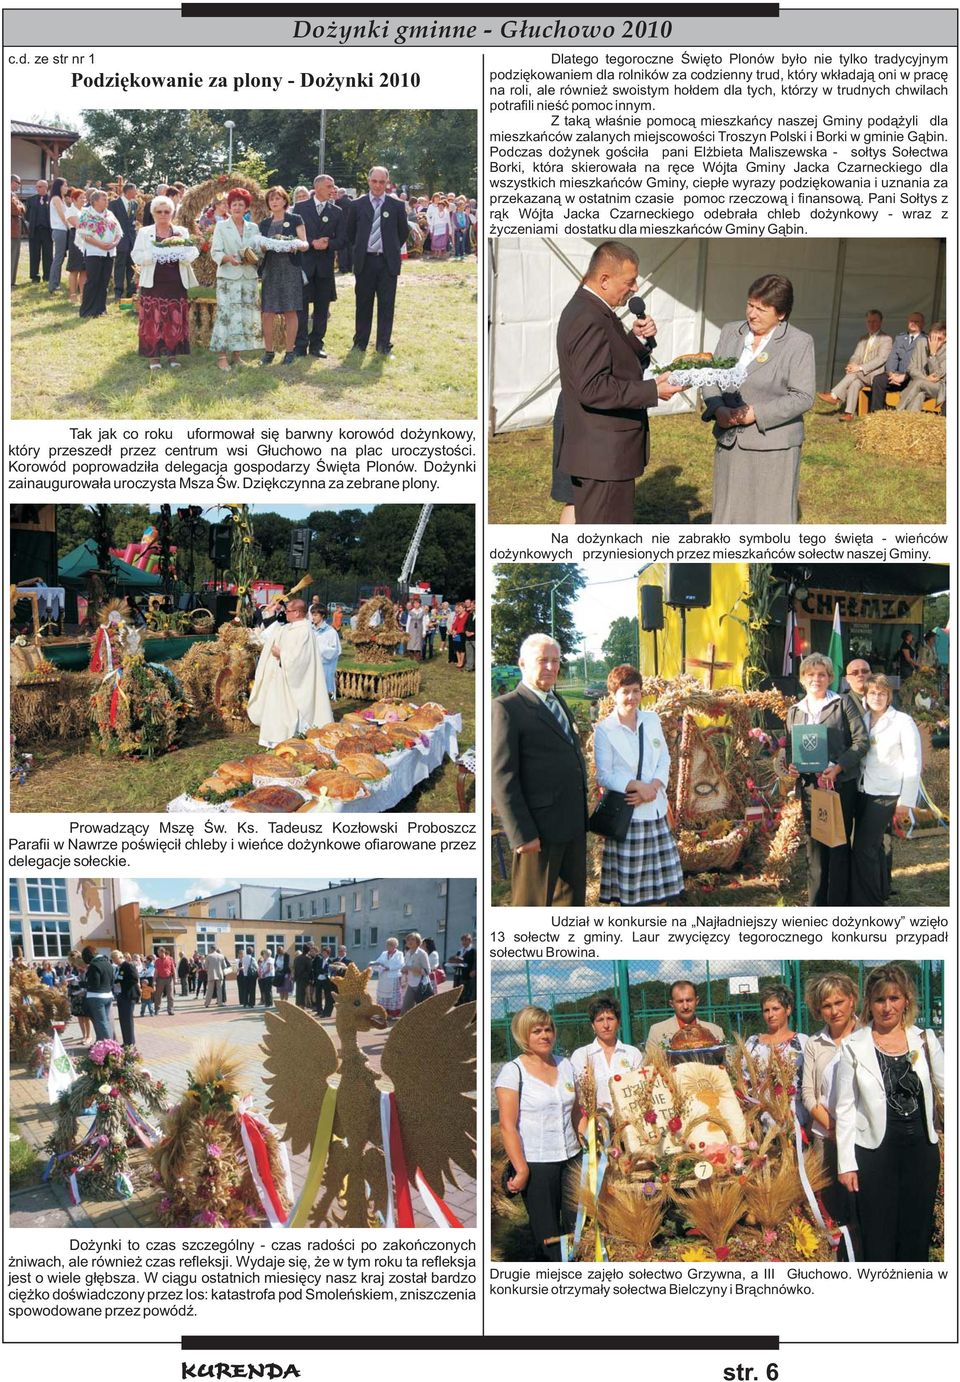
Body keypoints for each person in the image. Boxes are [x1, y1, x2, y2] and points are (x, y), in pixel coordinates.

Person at [555, 240, 686, 523]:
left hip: (603, 455)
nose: (636, 288)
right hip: (604, 458)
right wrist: (653, 390)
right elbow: (593, 388)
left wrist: (636, 340)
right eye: (630, 281)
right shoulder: (588, 316)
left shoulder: (594, 309)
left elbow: (611, 363)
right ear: (604, 280)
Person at [836, 964, 943, 1261]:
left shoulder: (925, 1039)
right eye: (880, 1000)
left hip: (922, 1153)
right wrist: (846, 1163)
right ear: (869, 1003)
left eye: (894, 998)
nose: (887, 1007)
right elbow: (844, 1108)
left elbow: (948, 1091)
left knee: (916, 1233)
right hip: (875, 1154)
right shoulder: (852, 1046)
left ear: (906, 1000)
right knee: (877, 1234)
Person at [702, 273, 816, 523]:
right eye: (750, 305)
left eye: (762, 309)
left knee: (767, 519)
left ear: (781, 314)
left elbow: (803, 396)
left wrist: (756, 413)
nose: (752, 314)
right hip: (730, 441)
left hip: (772, 446)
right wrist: (716, 407)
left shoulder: (799, 342)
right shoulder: (732, 331)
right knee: (729, 516)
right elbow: (711, 377)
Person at [491, 633, 589, 906]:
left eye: (555, 661)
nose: (550, 667)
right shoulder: (506, 708)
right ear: (523, 663)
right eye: (542, 660)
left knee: (571, 903)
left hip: (571, 824)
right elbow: (502, 775)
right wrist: (521, 833)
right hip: (539, 831)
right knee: (532, 906)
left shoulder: (557, 700)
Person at [494, 1006, 580, 1262]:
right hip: (537, 1163)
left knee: (578, 1225)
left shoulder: (566, 1065)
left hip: (572, 1157)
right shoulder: (513, 1071)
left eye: (548, 1029)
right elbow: (508, 1126)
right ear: (524, 1035)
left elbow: (576, 1113)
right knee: (548, 1233)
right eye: (537, 1031)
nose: (545, 1035)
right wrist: (521, 1170)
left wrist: (596, 1140)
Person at [593, 663, 684, 905]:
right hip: (629, 816)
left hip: (655, 809)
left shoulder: (651, 719)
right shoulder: (605, 730)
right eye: (625, 691)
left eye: (636, 690)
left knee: (664, 891)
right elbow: (604, 775)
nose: (632, 697)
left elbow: (663, 757)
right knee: (634, 895)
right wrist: (636, 786)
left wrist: (654, 786)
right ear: (613, 695)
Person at [785, 651, 868, 906]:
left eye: (821, 674)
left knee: (838, 847)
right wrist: (789, 768)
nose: (816, 679)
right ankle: (816, 905)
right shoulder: (794, 711)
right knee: (815, 848)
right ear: (802, 679)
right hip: (810, 789)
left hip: (838, 786)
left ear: (830, 678)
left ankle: (838, 905)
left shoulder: (843, 703)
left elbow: (861, 741)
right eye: (810, 674)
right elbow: (788, 751)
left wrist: (839, 767)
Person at [801, 971, 861, 1254]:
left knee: (862, 1202)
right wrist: (835, 1130)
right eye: (827, 1005)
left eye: (839, 1002)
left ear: (852, 1001)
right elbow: (808, 1094)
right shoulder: (815, 1044)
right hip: (826, 1136)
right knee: (832, 1204)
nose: (834, 1010)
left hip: (863, 1136)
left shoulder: (868, 1036)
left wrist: (850, 1132)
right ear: (818, 1009)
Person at [851, 674, 922, 905]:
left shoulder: (903, 721)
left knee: (863, 848)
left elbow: (913, 761)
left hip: (887, 793)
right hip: (864, 790)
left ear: (889, 696)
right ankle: (881, 891)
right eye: (872, 693)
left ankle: (867, 902)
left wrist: (905, 801)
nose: (877, 697)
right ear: (865, 696)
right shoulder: (861, 719)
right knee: (877, 846)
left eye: (882, 693)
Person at [247, 597, 333, 746]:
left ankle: (293, 734)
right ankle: (274, 737)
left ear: (298, 613)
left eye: (288, 611)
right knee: (277, 706)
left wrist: (281, 655)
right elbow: (271, 634)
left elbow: (301, 659)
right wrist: (270, 613)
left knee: (291, 708)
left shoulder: (304, 631)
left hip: (294, 679)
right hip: (281, 676)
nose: (285, 613)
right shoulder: (289, 627)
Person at [345, 166, 409, 357]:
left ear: (387, 183)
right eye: (375, 181)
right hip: (365, 262)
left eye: (382, 182)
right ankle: (360, 343)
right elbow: (350, 233)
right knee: (363, 303)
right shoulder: (357, 204)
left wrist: (389, 248)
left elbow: (402, 233)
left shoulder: (396, 205)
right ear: (369, 180)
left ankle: (383, 345)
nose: (378, 185)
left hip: (387, 263)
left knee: (386, 305)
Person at [130, 193, 198, 369]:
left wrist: (182, 254)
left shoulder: (181, 232)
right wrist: (152, 255)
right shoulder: (145, 232)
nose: (163, 214)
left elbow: (193, 253)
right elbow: (135, 255)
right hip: (153, 284)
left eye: (167, 211)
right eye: (159, 211)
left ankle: (173, 357)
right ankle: (154, 358)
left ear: (172, 213)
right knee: (153, 320)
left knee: (174, 320)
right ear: (153, 213)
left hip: (176, 283)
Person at [210, 187, 262, 370]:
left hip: (248, 277)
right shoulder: (221, 226)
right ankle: (222, 357)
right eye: (234, 204)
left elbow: (258, 252)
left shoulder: (254, 227)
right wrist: (228, 259)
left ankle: (237, 355)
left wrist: (254, 256)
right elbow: (215, 251)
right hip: (228, 278)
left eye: (241, 204)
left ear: (246, 208)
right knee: (226, 315)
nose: (238, 207)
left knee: (244, 317)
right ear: (228, 207)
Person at [257, 184, 308, 366]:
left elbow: (305, 243)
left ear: (285, 200)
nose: (274, 201)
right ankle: (269, 352)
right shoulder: (264, 224)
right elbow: (260, 248)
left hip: (290, 269)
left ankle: (289, 351)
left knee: (290, 311)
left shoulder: (295, 219)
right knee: (267, 312)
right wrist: (262, 246)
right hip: (270, 269)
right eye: (271, 199)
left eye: (278, 198)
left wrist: (297, 245)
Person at [744, 984, 808, 1125]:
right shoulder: (753, 1043)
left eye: (776, 1009)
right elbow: (744, 1080)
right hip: (760, 1115)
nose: (770, 1015)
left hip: (793, 1115)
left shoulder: (802, 1042)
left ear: (788, 1009)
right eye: (766, 1010)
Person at [295, 174, 342, 359]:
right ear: (318, 187)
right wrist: (312, 242)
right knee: (301, 307)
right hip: (305, 265)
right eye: (329, 186)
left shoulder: (336, 211)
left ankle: (317, 344)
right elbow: (292, 235)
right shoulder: (300, 208)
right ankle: (300, 345)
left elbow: (343, 239)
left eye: (333, 186)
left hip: (324, 266)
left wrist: (329, 243)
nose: (333, 189)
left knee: (322, 308)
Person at [571, 996, 642, 1115]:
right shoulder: (581, 1056)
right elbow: (577, 1098)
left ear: (618, 1022)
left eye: (610, 1018)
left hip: (630, 1123)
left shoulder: (633, 1053)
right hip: (595, 1125)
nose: (606, 1025)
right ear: (593, 1025)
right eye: (600, 1020)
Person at [818, 309, 892, 419]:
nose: (871, 324)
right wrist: (851, 365)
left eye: (874, 321)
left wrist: (860, 368)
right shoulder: (863, 338)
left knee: (854, 374)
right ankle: (849, 413)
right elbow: (856, 356)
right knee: (855, 383)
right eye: (869, 321)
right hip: (861, 374)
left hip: (876, 375)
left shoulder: (886, 339)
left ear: (881, 322)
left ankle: (834, 396)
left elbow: (881, 359)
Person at [646, 980, 725, 1057]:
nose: (685, 1006)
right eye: (680, 1001)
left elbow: (727, 1065)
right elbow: (650, 1066)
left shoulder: (716, 1031)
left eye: (689, 1000)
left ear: (696, 1001)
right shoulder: (656, 1032)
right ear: (671, 1004)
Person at [77, 190, 122, 318]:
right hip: (94, 252)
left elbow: (119, 232)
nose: (107, 201)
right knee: (93, 280)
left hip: (109, 253)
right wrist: (100, 245)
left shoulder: (110, 214)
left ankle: (100, 309)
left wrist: (114, 243)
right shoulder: (87, 214)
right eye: (104, 199)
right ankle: (87, 310)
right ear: (95, 201)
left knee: (104, 281)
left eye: (107, 199)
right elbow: (84, 234)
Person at [868, 312, 926, 411]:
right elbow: (892, 358)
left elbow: (923, 364)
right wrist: (891, 374)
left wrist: (905, 376)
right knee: (878, 380)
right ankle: (876, 413)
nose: (913, 323)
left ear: (923, 324)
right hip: (896, 375)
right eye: (911, 321)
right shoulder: (900, 338)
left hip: (912, 376)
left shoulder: (925, 340)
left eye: (917, 321)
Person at [897, 321, 946, 412]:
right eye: (932, 338)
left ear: (946, 339)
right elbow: (911, 368)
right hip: (917, 386)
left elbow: (937, 375)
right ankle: (909, 422)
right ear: (928, 336)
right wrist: (925, 378)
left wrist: (933, 354)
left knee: (919, 383)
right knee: (919, 396)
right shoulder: (921, 343)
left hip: (938, 387)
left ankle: (897, 411)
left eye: (939, 339)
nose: (934, 342)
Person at [107, 181, 139, 301]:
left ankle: (131, 291)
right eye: (135, 190)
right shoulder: (114, 204)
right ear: (128, 191)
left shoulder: (134, 204)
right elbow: (111, 222)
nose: (136, 192)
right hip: (119, 239)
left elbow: (133, 221)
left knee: (131, 266)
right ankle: (118, 291)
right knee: (120, 266)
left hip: (131, 239)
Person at [81, 945, 115, 1041]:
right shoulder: (108, 963)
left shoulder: (94, 965)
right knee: (106, 1022)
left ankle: (109, 1048)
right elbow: (112, 981)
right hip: (108, 995)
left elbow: (94, 983)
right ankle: (103, 1045)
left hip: (96, 997)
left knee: (101, 1022)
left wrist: (81, 984)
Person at [309, 605, 342, 698]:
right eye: (312, 615)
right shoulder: (310, 630)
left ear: (322, 615)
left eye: (316, 615)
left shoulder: (331, 632)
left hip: (324, 668)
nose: (313, 617)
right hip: (310, 667)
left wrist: (318, 649)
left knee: (321, 696)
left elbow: (335, 651)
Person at [63, 187, 87, 304]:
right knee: (74, 269)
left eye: (84, 197)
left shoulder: (85, 210)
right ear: (74, 199)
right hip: (75, 240)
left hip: (86, 240)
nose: (83, 200)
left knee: (84, 269)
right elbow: (78, 225)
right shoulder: (70, 211)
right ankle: (72, 295)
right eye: (81, 198)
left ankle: (83, 294)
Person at [46, 177, 70, 294]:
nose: (67, 188)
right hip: (59, 230)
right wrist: (69, 227)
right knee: (58, 258)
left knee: (60, 258)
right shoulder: (56, 198)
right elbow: (62, 216)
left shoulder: (61, 199)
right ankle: (53, 285)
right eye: (65, 185)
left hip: (62, 230)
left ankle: (56, 283)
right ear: (59, 186)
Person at [26, 178, 52, 283]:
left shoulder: (51, 200)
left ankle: (47, 276)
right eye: (36, 186)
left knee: (48, 255)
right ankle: (34, 277)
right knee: (34, 255)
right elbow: (27, 215)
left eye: (40, 186)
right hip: (35, 231)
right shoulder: (31, 200)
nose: (37, 188)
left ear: (46, 188)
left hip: (47, 232)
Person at [111, 950, 139, 1048]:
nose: (114, 962)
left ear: (119, 957)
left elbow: (135, 978)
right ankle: (126, 1041)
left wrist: (121, 983)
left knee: (127, 1020)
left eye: (115, 959)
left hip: (128, 995)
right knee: (123, 1019)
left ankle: (130, 1042)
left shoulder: (128, 965)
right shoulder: (119, 968)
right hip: (121, 995)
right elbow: (119, 978)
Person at [371, 937, 404, 1019]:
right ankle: (382, 1013)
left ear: (395, 946)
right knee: (382, 996)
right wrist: (373, 964)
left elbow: (401, 964)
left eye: (391, 945)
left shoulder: (399, 954)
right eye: (388, 945)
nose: (388, 946)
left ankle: (393, 1014)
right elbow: (378, 962)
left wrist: (389, 968)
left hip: (393, 978)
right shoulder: (383, 953)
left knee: (393, 997)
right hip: (383, 979)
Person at [400, 931, 432, 1012]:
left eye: (412, 939)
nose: (409, 942)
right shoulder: (407, 953)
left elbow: (427, 971)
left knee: (422, 1010)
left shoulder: (422, 954)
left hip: (421, 985)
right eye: (408, 940)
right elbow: (407, 967)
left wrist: (410, 968)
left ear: (418, 941)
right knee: (405, 1010)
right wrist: (404, 970)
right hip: (411, 984)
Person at [11, 174, 26, 288]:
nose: (19, 185)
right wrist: (20, 207)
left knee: (15, 254)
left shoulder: (14, 195)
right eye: (18, 183)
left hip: (15, 229)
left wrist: (20, 206)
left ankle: (12, 280)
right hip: (11, 230)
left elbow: (22, 207)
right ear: (12, 182)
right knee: (11, 255)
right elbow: (16, 210)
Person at [312, 946, 335, 1018]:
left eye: (325, 953)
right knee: (318, 996)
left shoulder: (331, 962)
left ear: (328, 954)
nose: (323, 954)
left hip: (326, 981)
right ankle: (319, 1010)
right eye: (322, 953)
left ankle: (326, 1012)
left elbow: (329, 972)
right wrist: (322, 972)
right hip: (319, 979)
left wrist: (323, 971)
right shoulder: (319, 960)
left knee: (327, 996)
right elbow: (317, 969)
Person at [153, 946, 176, 1015]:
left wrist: (175, 979)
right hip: (160, 979)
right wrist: (154, 980)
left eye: (159, 953)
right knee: (158, 995)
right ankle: (157, 1009)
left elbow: (173, 969)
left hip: (169, 979)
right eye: (158, 953)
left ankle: (170, 1010)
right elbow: (156, 971)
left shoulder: (170, 959)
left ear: (163, 952)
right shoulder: (157, 961)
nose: (158, 954)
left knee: (170, 995)